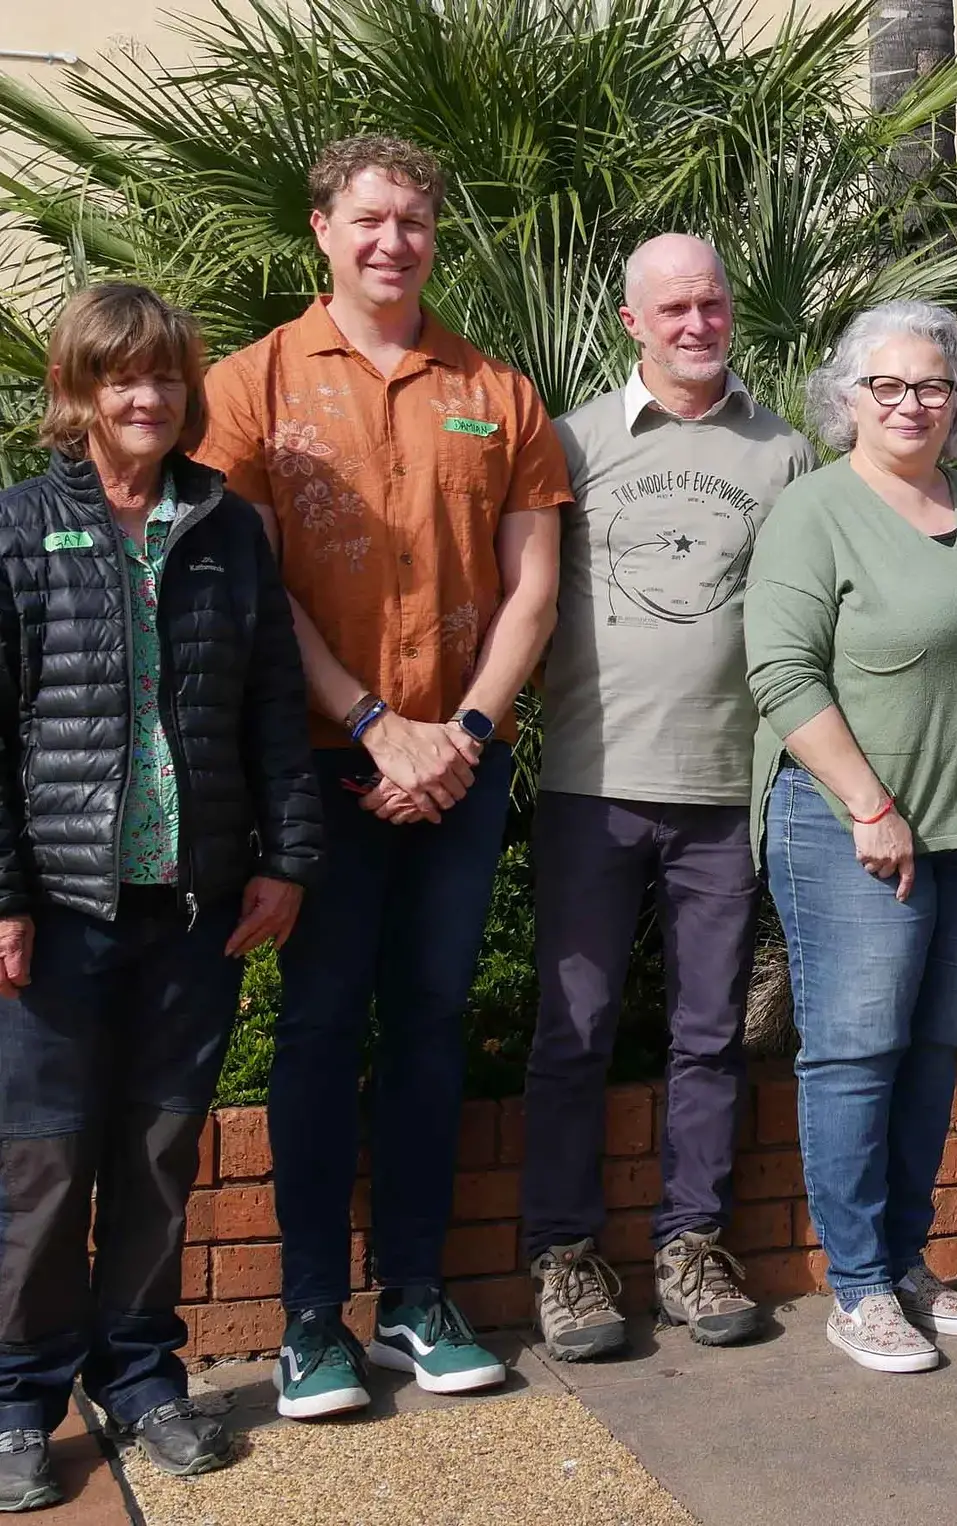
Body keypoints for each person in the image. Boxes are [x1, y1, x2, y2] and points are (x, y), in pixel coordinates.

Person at [197, 135, 570, 1416]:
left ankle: (413, 1292)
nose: (391, 242)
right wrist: (369, 723)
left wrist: (461, 734)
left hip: (460, 771)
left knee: (427, 1024)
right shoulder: (246, 389)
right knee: (313, 1027)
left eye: (413, 220)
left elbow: (533, 587)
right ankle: (310, 1315)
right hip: (320, 769)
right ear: (322, 230)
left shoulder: (498, 390)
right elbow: (253, 587)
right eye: (368, 219)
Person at [0, 284, 319, 1508]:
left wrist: (286, 860)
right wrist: (7, 893)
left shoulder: (228, 528)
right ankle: (23, 1392)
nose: (147, 399)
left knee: (158, 1150)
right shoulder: (20, 528)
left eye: (167, 379)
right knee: (39, 1165)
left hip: (192, 907)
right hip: (59, 909)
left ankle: (139, 1374)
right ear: (78, 392)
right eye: (122, 378)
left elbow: (274, 711)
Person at [519, 235, 816, 1361]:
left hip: (726, 792)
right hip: (591, 786)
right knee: (574, 1031)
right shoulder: (574, 441)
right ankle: (562, 1252)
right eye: (675, 307)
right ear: (634, 320)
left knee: (712, 1033)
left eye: (714, 303)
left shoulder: (783, 449)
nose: (698, 323)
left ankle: (692, 1240)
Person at [745, 301, 957, 1373]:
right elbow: (783, 671)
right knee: (855, 1049)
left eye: (933, 385)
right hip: (852, 827)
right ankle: (859, 1282)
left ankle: (910, 1260)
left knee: (932, 1046)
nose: (913, 402)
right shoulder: (816, 510)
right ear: (848, 397)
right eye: (889, 385)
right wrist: (869, 805)